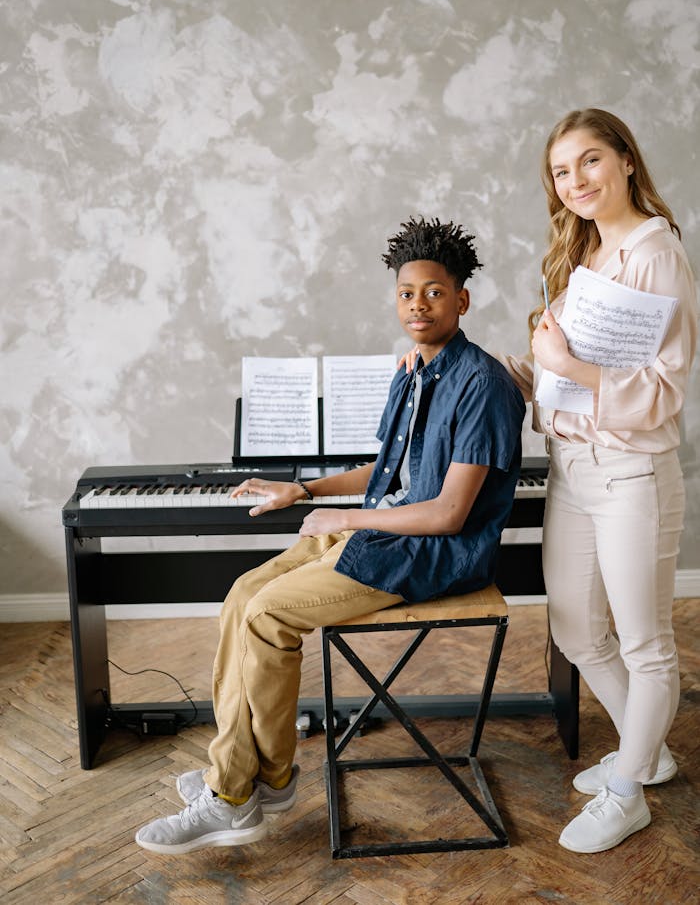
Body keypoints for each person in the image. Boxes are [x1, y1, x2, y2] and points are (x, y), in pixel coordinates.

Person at [135, 215, 526, 856]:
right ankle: (263, 779)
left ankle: (236, 795)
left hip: (432, 556)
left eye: (433, 291)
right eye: (407, 293)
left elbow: (448, 514)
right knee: (241, 596)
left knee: (266, 616)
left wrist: (345, 521)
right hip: (380, 533)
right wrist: (308, 491)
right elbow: (387, 473)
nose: (418, 305)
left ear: (463, 298)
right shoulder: (412, 371)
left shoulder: (481, 384)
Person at [401, 110, 695, 853]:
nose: (577, 182)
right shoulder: (586, 254)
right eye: (562, 173)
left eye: (590, 161)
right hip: (573, 468)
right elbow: (549, 376)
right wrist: (452, 359)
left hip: (632, 471)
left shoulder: (656, 251)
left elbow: (665, 389)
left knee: (645, 644)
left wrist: (572, 371)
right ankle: (645, 751)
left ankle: (629, 791)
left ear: (626, 160)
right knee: (574, 628)